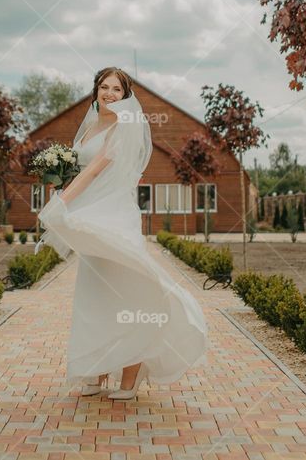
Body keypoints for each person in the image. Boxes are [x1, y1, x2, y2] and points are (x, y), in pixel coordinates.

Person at [37, 67, 209, 400]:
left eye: (117, 89)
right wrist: (59, 183)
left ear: (125, 96)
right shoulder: (89, 126)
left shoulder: (124, 126)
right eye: (104, 87)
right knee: (94, 295)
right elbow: (78, 170)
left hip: (113, 215)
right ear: (96, 91)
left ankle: (131, 374)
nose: (110, 93)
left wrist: (61, 201)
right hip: (90, 213)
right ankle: (96, 371)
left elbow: (95, 168)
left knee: (127, 294)